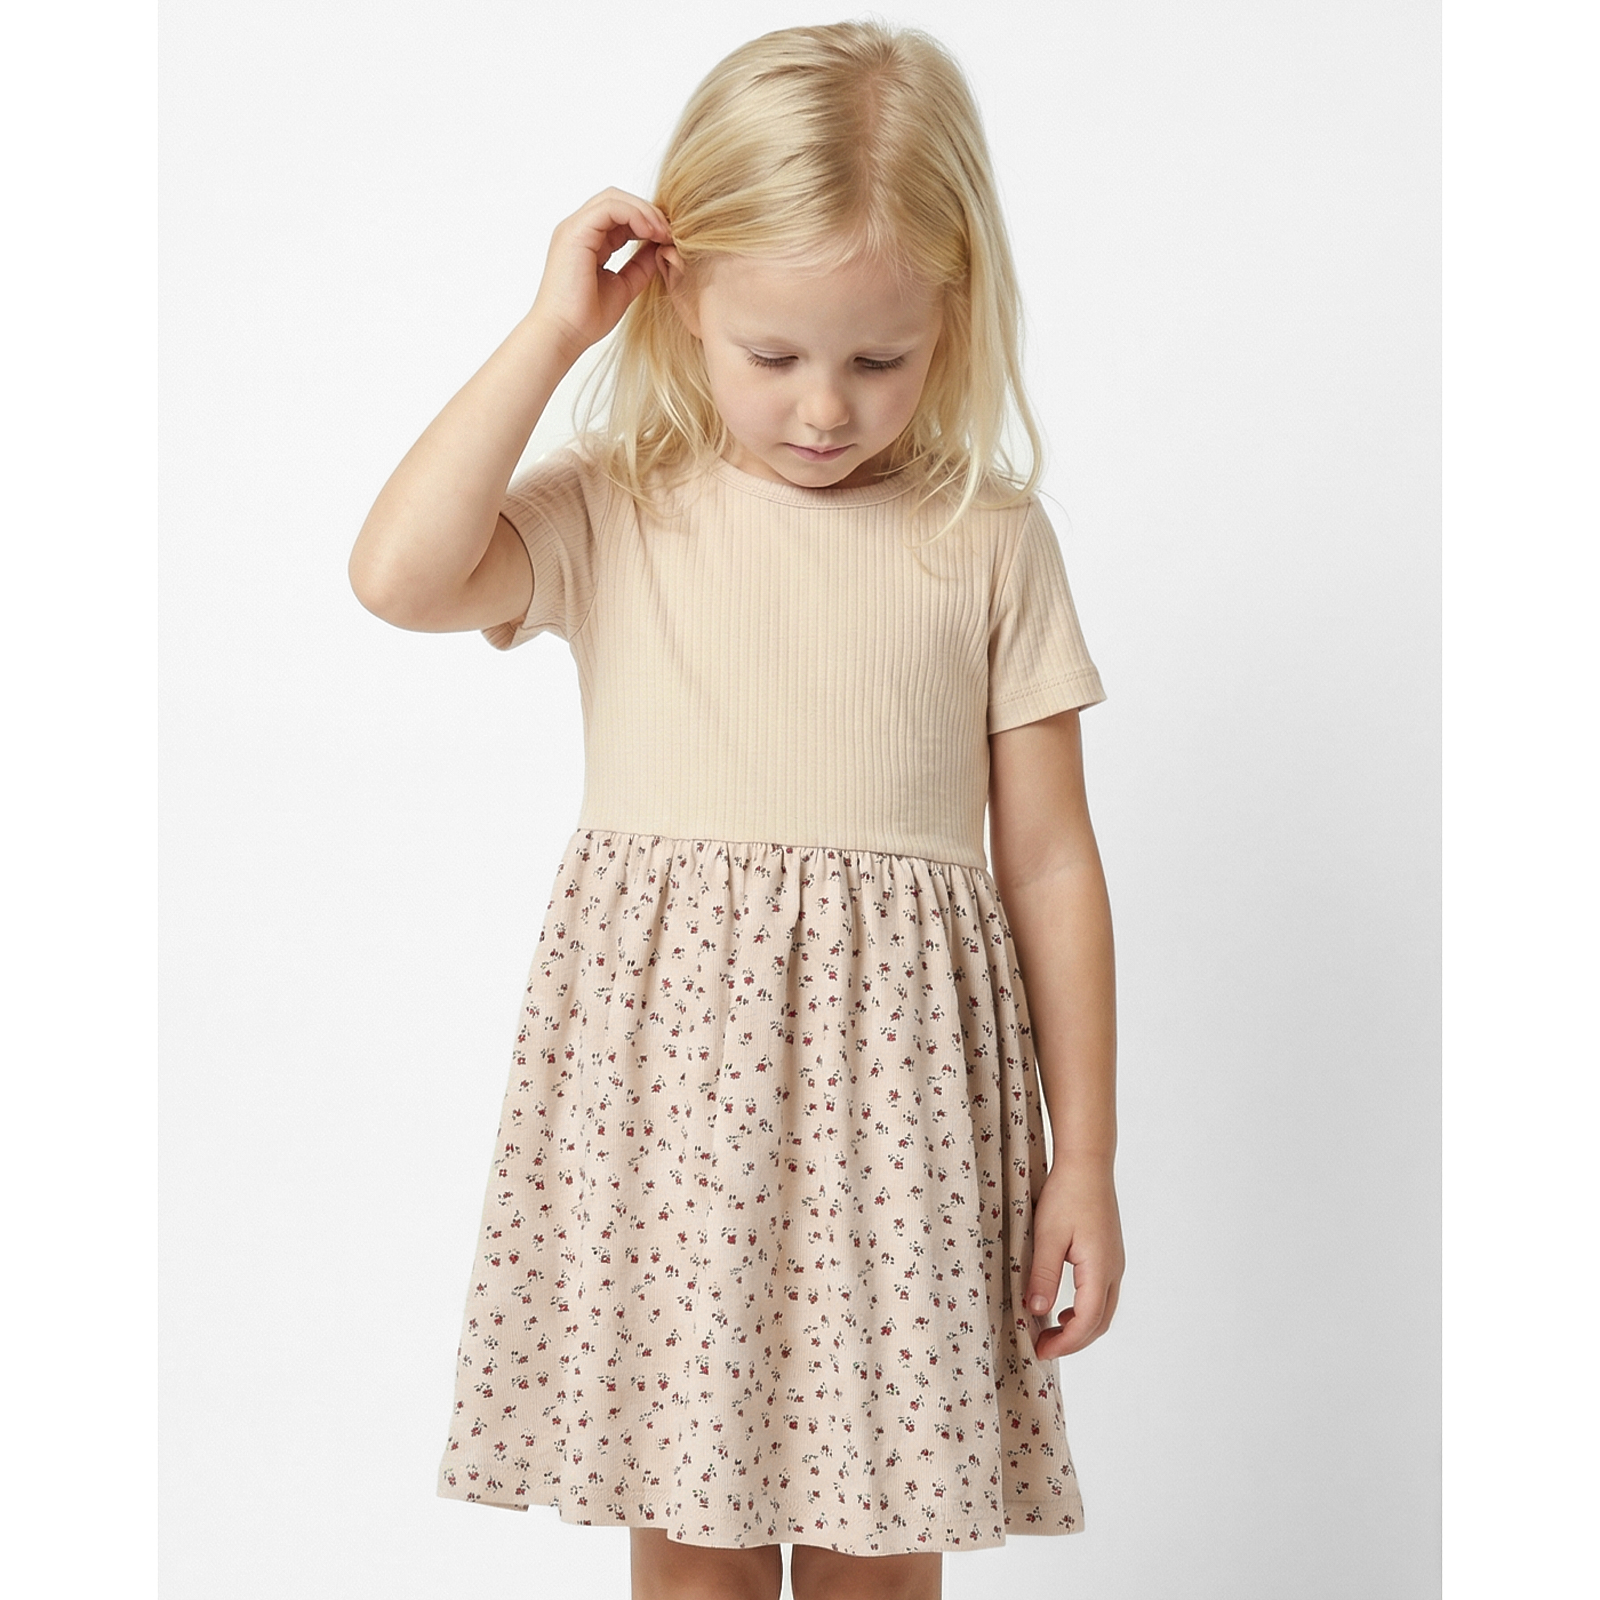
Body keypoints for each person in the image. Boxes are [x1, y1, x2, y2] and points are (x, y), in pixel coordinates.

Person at [349, 18, 1122, 1600]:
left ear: (953, 318)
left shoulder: (987, 538)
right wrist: (550, 332)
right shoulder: (619, 503)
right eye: (774, 356)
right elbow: (400, 576)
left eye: (879, 360)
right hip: (674, 1112)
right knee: (692, 1551)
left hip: (904, 1118)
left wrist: (1085, 1157)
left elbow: (1050, 862)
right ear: (680, 296)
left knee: (878, 1557)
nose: (825, 408)